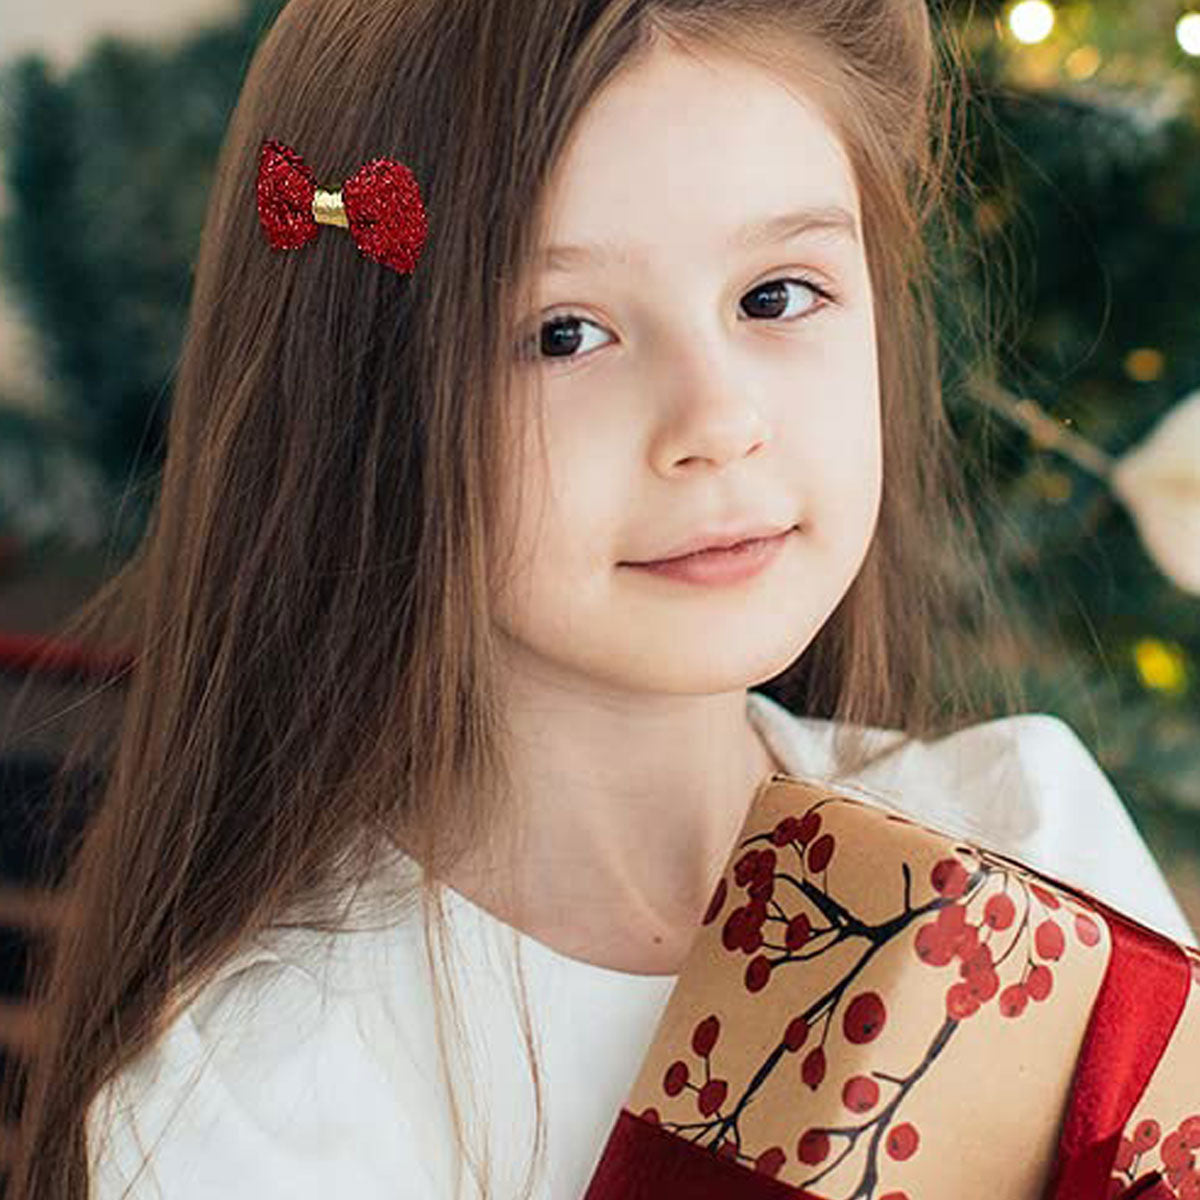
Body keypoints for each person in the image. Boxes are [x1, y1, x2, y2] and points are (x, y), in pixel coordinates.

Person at [3, 0, 1194, 1197]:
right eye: (565, 334)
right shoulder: (270, 1088)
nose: (717, 422)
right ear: (362, 405)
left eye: (777, 295)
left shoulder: (1027, 841)